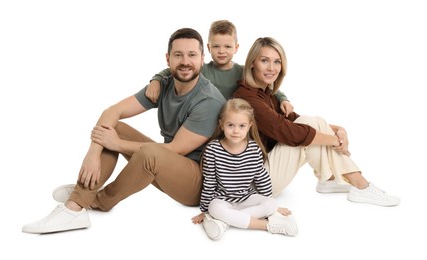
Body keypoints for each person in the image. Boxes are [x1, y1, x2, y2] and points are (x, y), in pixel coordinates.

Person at [22, 27, 226, 234]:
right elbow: (113, 111)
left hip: (200, 183)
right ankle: (80, 199)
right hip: (169, 165)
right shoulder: (163, 85)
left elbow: (176, 149)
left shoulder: (208, 100)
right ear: (168, 59)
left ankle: (91, 201)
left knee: (149, 152)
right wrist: (93, 153)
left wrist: (116, 144)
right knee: (115, 128)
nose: (185, 61)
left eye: (192, 55)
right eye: (178, 55)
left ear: (202, 58)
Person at [233, 37, 400, 207]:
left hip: (263, 174)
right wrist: (335, 140)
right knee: (306, 127)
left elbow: (294, 120)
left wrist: (338, 129)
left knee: (312, 122)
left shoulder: (266, 94)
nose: (272, 68)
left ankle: (331, 178)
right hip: (252, 186)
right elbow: (288, 132)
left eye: (277, 62)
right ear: (252, 63)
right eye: (264, 61)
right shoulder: (246, 98)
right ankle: (360, 184)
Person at [191, 98, 298, 240]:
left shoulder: (254, 149)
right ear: (221, 125)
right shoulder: (213, 149)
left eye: (242, 126)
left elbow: (261, 178)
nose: (236, 131)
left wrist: (274, 207)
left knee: (271, 203)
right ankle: (268, 226)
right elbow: (209, 182)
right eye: (230, 125)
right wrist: (204, 211)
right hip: (222, 199)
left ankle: (222, 222)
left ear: (249, 126)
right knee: (214, 208)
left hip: (246, 197)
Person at [145, 20, 294, 116]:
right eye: (216, 46)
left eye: (227, 46)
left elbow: (267, 83)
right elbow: (171, 70)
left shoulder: (242, 72)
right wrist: (156, 81)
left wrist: (283, 99)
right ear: (208, 48)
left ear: (236, 48)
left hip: (232, 125)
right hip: (205, 119)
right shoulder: (201, 70)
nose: (222, 51)